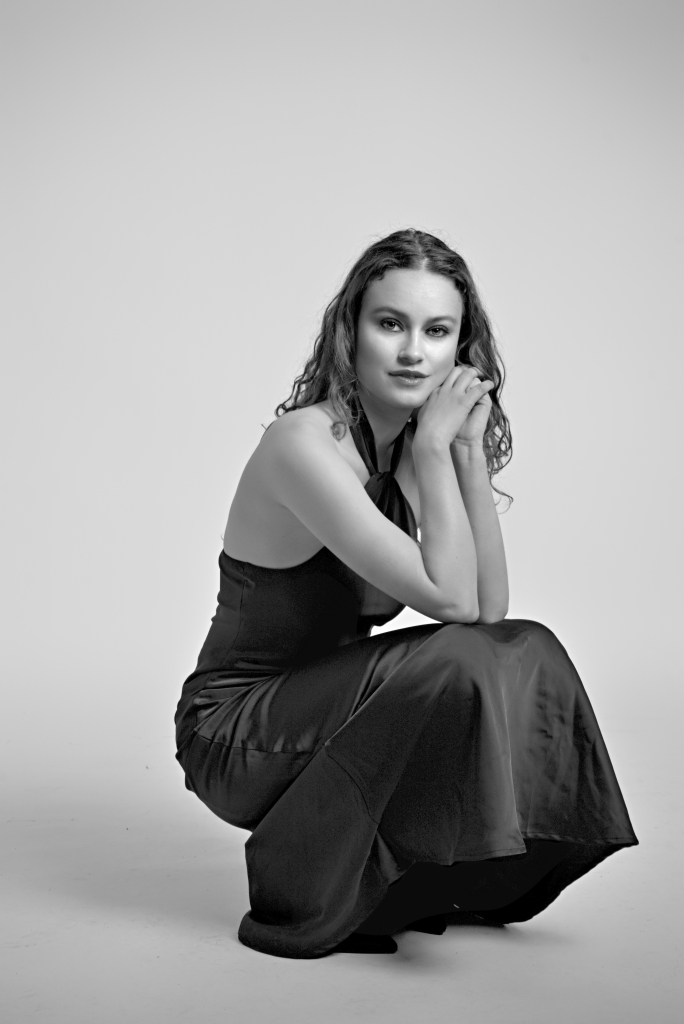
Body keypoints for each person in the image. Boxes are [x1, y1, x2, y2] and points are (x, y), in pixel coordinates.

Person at [174, 228, 638, 959]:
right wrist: (431, 447)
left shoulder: (406, 447)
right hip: (234, 731)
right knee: (457, 658)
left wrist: (464, 453)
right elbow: (451, 604)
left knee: (527, 646)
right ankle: (302, 881)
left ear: (462, 350)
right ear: (350, 331)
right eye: (391, 324)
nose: (413, 351)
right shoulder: (305, 446)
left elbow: (487, 609)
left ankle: (469, 874)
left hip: (335, 714)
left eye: (437, 331)